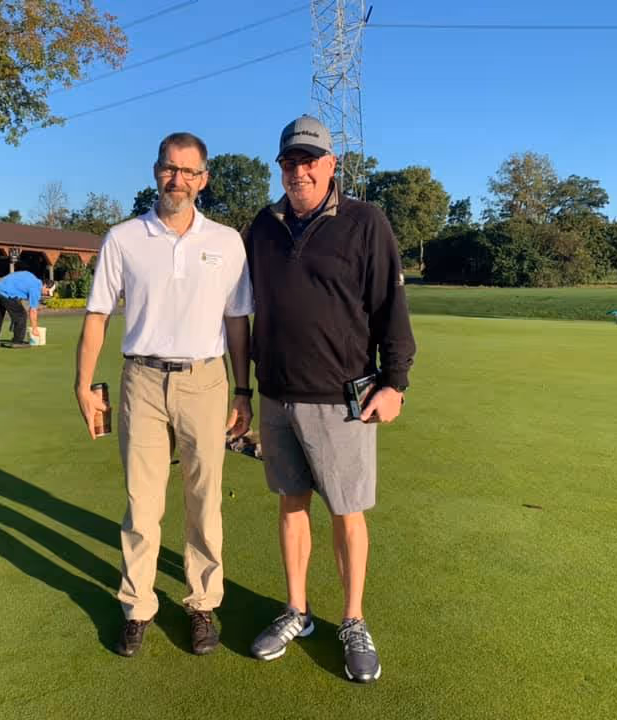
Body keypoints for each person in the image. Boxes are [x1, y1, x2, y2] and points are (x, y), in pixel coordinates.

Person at [243, 115, 416, 683]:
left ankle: (353, 619)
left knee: (347, 513)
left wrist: (395, 382)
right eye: (290, 163)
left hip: (343, 397)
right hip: (277, 394)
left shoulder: (365, 221)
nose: (299, 172)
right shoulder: (261, 228)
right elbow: (237, 308)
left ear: (331, 164)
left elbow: (391, 307)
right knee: (291, 505)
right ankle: (298, 611)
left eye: (310, 161)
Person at [74, 132, 253, 658]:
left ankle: (202, 604)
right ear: (156, 171)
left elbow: (237, 322)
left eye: (188, 172)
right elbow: (97, 316)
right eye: (168, 169)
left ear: (204, 179)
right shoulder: (124, 237)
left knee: (204, 500)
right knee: (141, 502)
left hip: (206, 380)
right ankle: (137, 605)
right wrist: (83, 386)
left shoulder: (226, 242)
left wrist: (244, 391)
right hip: (142, 382)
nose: (177, 180)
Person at [0, 270, 55, 347]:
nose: (47, 294)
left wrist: (14, 319)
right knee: (22, 315)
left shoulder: (31, 277)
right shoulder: (36, 288)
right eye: (48, 292)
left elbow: (17, 298)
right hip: (6, 293)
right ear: (45, 285)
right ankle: (18, 342)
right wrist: (34, 328)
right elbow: (33, 311)